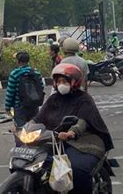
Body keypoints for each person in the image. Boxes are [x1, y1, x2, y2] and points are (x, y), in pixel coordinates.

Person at [33, 63, 114, 194]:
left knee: (76, 169)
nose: (61, 84)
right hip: (57, 139)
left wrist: (72, 132)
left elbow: (83, 121)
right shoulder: (54, 99)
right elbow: (38, 118)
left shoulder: (84, 99)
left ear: (74, 82)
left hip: (85, 141)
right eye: (58, 81)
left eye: (64, 81)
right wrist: (24, 127)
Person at [5, 51, 44, 128]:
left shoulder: (15, 74)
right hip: (34, 105)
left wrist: (7, 107)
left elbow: (10, 92)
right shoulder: (36, 73)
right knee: (34, 128)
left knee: (21, 130)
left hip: (20, 106)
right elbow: (41, 87)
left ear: (18, 61)